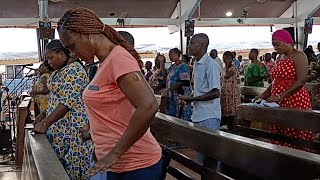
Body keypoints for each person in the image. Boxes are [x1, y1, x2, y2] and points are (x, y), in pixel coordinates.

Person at [57, 7, 162, 179]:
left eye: (72, 47)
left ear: (87, 34)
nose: (73, 54)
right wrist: (94, 133)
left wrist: (115, 153)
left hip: (137, 165)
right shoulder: (103, 63)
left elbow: (149, 105)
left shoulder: (118, 59)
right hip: (117, 166)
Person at [32, 40, 93, 179]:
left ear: (62, 54)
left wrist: (45, 123)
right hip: (59, 129)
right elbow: (55, 99)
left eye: (51, 57)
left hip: (72, 131)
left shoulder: (75, 71)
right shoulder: (59, 72)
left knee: (71, 172)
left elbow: (65, 103)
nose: (48, 62)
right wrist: (42, 116)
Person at [254, 29, 314, 152]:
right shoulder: (280, 57)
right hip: (278, 101)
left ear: (287, 42)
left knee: (295, 133)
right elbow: (276, 81)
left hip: (295, 100)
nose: (275, 47)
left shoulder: (299, 55)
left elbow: (301, 81)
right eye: (273, 44)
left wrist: (281, 95)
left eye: (278, 43)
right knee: (280, 133)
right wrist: (263, 95)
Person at [179, 33, 221, 130]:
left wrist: (192, 99)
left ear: (201, 46)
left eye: (192, 43)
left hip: (209, 115)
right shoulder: (197, 63)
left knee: (209, 145)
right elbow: (200, 90)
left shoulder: (210, 64)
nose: (189, 46)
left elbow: (216, 93)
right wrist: (188, 99)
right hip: (198, 114)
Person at [165, 48, 192, 121]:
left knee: (181, 116)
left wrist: (169, 89)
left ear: (177, 55)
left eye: (171, 54)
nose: (170, 56)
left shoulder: (184, 66)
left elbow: (184, 82)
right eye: (169, 55)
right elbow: (166, 75)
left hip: (181, 95)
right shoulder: (172, 67)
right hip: (172, 95)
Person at [220, 51, 240, 132]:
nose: (225, 59)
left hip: (232, 95)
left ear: (232, 59)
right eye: (224, 58)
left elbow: (227, 76)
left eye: (227, 58)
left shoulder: (233, 68)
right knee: (226, 114)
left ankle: (234, 131)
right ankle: (229, 129)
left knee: (232, 115)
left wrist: (228, 64)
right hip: (225, 95)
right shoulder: (224, 68)